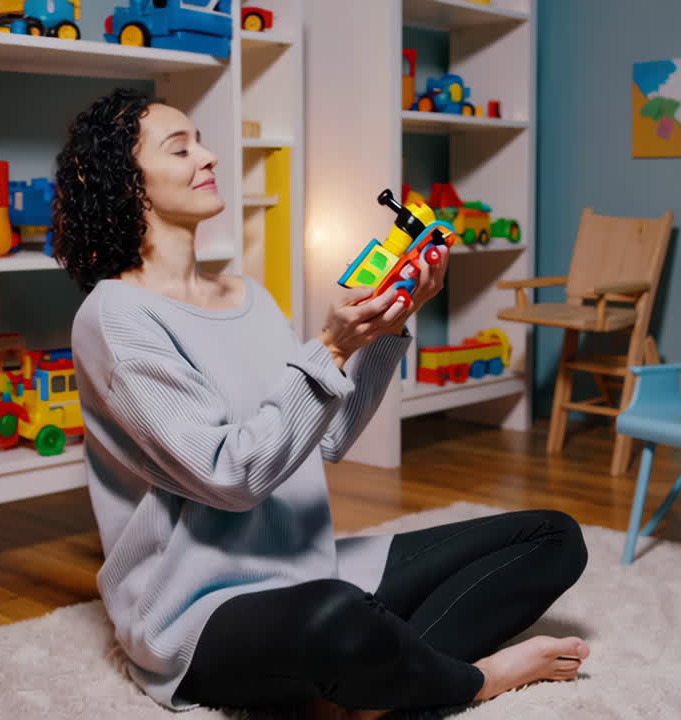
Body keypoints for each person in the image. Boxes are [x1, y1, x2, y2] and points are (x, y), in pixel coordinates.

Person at [52, 88, 590, 719]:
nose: (208, 156)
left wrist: (387, 330)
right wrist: (331, 347)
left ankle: (372, 692)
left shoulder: (248, 295)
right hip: (199, 610)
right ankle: (472, 682)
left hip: (313, 565)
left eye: (200, 140)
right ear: (127, 184)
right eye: (181, 148)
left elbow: (325, 440)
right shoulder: (114, 317)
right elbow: (231, 478)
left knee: (554, 537)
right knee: (336, 619)